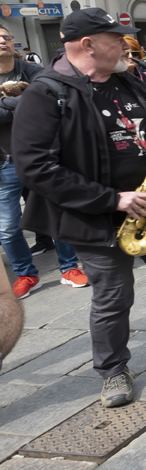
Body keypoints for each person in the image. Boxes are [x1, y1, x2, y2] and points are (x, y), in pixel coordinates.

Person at [14, 7, 146, 408]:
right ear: (87, 45)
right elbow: (36, 168)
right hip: (95, 216)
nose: (125, 45)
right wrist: (112, 199)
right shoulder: (46, 94)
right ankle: (113, 370)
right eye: (115, 39)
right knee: (113, 296)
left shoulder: (128, 81)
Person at [0, 25, 89, 299]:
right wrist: (18, 103)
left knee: (56, 215)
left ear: (13, 42)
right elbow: (27, 105)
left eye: (6, 37)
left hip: (40, 157)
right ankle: (26, 274)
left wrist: (8, 103)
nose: (2, 41)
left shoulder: (31, 69)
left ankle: (69, 268)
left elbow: (46, 99)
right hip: (5, 163)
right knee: (6, 227)